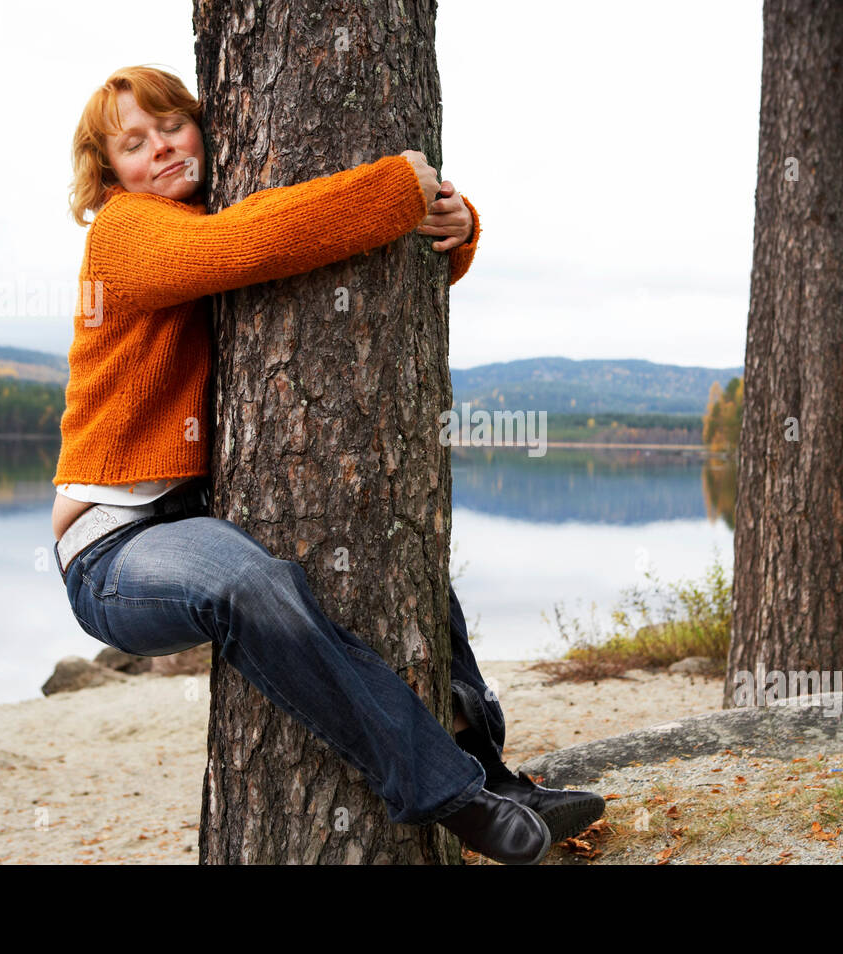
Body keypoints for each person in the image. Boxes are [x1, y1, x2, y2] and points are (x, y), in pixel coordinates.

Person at [51, 64, 604, 865]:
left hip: (193, 517)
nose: (161, 148)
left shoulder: (209, 209)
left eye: (172, 124)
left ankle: (493, 774)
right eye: (133, 144)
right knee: (249, 587)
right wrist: (396, 190)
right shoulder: (127, 229)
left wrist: (455, 226)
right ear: (109, 174)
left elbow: (310, 250)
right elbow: (240, 247)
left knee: (399, 553)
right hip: (113, 548)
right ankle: (450, 796)